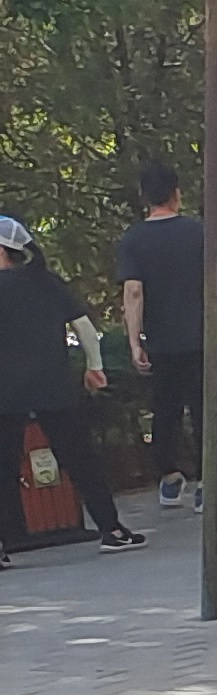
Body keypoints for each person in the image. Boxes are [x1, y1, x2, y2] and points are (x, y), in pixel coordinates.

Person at [0, 217, 145, 556]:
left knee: (3, 467)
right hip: (53, 385)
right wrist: (94, 366)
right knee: (81, 459)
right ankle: (111, 529)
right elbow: (84, 326)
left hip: (4, 391)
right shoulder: (46, 280)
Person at [118, 160, 217, 515]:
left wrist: (135, 341)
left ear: (144, 197)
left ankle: (170, 476)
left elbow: (133, 292)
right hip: (206, 337)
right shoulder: (202, 231)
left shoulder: (133, 241)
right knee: (206, 407)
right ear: (177, 194)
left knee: (165, 409)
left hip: (162, 341)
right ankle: (208, 483)